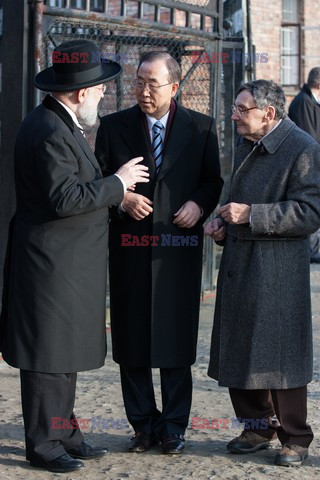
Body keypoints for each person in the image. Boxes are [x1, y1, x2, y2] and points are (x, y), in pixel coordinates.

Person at [0, 39, 149, 473]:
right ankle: (44, 445)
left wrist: (112, 190)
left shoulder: (57, 123)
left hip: (63, 264)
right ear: (81, 93)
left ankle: (64, 433)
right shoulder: (48, 130)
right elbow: (64, 198)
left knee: (63, 353)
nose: (104, 94)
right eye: (101, 88)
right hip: (49, 265)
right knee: (48, 357)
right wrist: (118, 184)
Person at [95, 51, 223, 454]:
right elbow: (100, 179)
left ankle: (173, 427)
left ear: (174, 86)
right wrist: (122, 199)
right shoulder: (113, 126)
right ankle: (142, 425)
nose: (143, 91)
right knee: (131, 337)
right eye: (138, 82)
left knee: (175, 338)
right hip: (130, 247)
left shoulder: (201, 128)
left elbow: (212, 179)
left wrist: (199, 205)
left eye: (152, 83)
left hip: (177, 249)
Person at [205, 79, 320, 467]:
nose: (234, 115)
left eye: (242, 109)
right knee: (240, 347)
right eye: (236, 107)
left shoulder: (303, 147)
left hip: (278, 271)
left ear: (268, 114)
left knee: (280, 354)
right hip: (240, 263)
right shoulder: (245, 144)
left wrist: (253, 215)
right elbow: (231, 198)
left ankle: (296, 437)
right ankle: (256, 428)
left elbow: (310, 213)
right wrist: (222, 224)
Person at [289, 67, 320, 263]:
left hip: (312, 163)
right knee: (308, 205)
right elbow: (309, 138)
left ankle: (314, 249)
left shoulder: (310, 102)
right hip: (307, 165)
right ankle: (311, 250)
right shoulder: (303, 103)